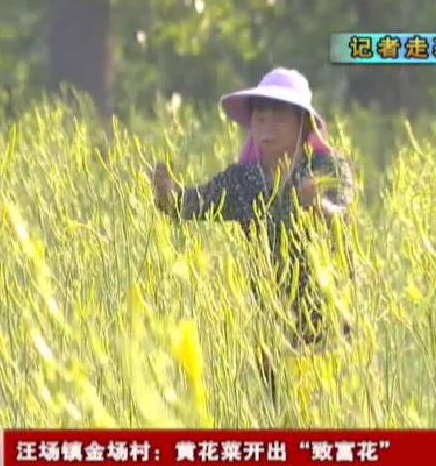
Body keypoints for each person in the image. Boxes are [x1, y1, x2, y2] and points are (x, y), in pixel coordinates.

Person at [151, 67, 355, 403]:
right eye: (259, 117)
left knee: (326, 417)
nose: (266, 126)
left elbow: (339, 207)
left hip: (329, 325)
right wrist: (166, 194)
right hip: (271, 327)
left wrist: (319, 206)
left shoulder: (327, 168)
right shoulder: (243, 181)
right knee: (278, 418)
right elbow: (188, 204)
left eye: (278, 117)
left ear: (302, 124)